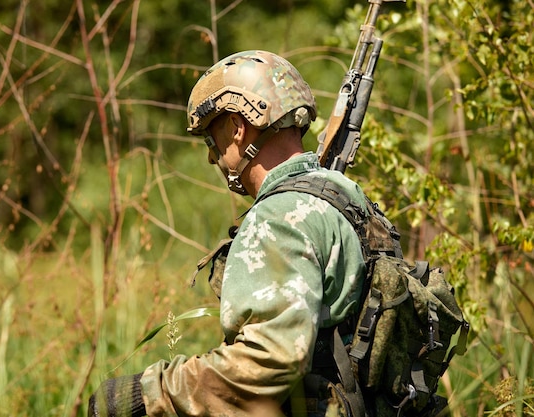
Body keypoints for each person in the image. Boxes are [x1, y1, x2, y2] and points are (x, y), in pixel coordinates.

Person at [88, 50, 369, 417]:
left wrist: (149, 394)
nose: (211, 156)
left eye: (211, 139)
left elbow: (272, 359)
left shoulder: (279, 217)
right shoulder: (345, 195)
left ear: (237, 127)